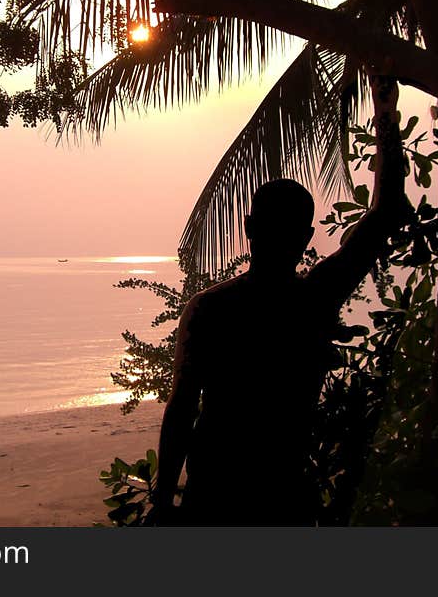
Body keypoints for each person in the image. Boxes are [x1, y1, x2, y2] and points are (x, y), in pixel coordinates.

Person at [149, 75, 409, 525]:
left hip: (215, 496)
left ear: (249, 227)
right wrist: (384, 110)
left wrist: (163, 499)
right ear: (306, 238)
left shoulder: (210, 308)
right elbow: (386, 210)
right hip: (284, 493)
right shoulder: (315, 298)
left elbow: (182, 410)